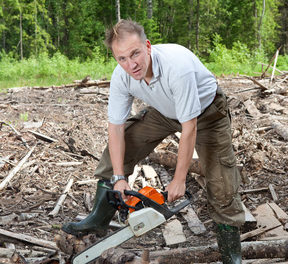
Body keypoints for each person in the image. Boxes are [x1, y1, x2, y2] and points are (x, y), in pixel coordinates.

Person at [62, 19, 244, 264]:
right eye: (122, 58)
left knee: (222, 182)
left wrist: (179, 181)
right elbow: (115, 128)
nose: (131, 64)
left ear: (147, 46)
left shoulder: (176, 67)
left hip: (207, 112)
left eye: (135, 53)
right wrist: (118, 178)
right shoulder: (121, 76)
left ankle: (231, 254)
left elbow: (189, 128)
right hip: (165, 112)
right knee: (125, 139)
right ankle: (99, 218)